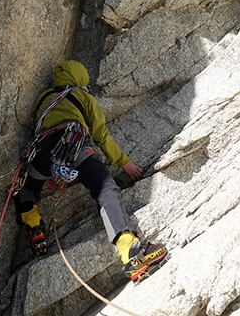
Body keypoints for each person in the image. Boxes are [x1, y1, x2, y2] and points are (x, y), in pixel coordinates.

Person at [13, 60, 167, 281]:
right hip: (73, 145)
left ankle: (34, 226)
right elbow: (101, 135)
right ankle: (131, 252)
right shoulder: (83, 97)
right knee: (105, 189)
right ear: (80, 79)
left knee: (25, 188)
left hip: (43, 154)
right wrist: (124, 162)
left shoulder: (43, 99)